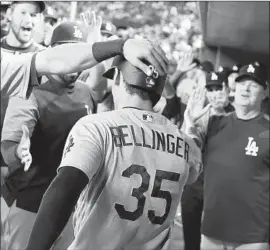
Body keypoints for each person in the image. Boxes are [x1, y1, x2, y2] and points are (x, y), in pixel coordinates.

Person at [25, 55, 202, 250]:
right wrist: (192, 127)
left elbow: (64, 190)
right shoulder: (185, 143)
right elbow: (194, 172)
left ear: (118, 78)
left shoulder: (97, 126)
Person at [0, 21, 99, 250]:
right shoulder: (29, 90)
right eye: (69, 51)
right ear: (53, 51)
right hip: (30, 203)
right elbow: (8, 147)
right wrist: (18, 151)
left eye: (79, 52)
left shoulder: (86, 92)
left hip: (72, 207)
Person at [183, 61, 269, 250]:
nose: (246, 88)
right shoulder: (214, 123)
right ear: (234, 88)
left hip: (252, 236)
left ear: (265, 92)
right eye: (242, 82)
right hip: (213, 231)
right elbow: (186, 153)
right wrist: (189, 122)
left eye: (254, 84)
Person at [180, 71, 234, 250]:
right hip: (196, 185)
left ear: (227, 89)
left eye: (219, 88)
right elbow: (184, 148)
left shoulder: (237, 114)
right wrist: (190, 121)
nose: (215, 93)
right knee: (191, 241)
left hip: (222, 187)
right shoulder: (198, 114)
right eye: (210, 89)